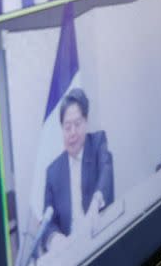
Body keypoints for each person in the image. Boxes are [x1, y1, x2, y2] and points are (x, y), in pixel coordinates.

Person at [43, 88, 114, 253]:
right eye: (67, 127)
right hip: (71, 254)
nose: (73, 133)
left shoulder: (97, 143)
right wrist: (54, 238)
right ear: (62, 129)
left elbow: (106, 169)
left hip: (101, 240)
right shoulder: (53, 172)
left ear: (86, 122)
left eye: (77, 124)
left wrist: (96, 203)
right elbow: (47, 223)